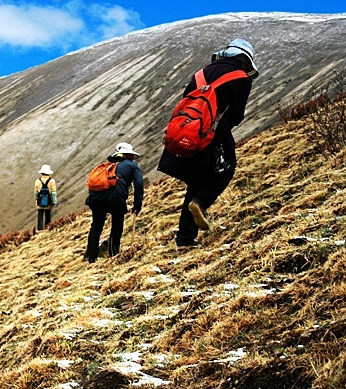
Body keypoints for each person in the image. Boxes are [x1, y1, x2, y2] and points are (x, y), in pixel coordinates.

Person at [157, 38, 259, 247]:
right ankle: (200, 204)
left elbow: (187, 101)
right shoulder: (241, 78)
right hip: (212, 133)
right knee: (226, 169)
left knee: (196, 182)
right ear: (244, 61)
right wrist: (220, 134)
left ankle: (185, 239)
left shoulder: (200, 74)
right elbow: (236, 114)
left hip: (184, 131)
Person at [85, 142, 144, 263]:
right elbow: (139, 184)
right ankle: (114, 254)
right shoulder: (132, 166)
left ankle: (91, 257)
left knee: (96, 225)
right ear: (130, 155)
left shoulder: (108, 166)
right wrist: (137, 204)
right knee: (117, 225)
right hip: (115, 198)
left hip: (96, 198)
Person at [34, 164, 58, 230]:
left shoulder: (37, 181)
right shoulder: (52, 181)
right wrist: (54, 202)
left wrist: (36, 199)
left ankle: (40, 229)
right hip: (48, 201)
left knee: (40, 215)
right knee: (48, 215)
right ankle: (47, 228)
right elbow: (53, 192)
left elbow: (36, 192)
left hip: (40, 201)